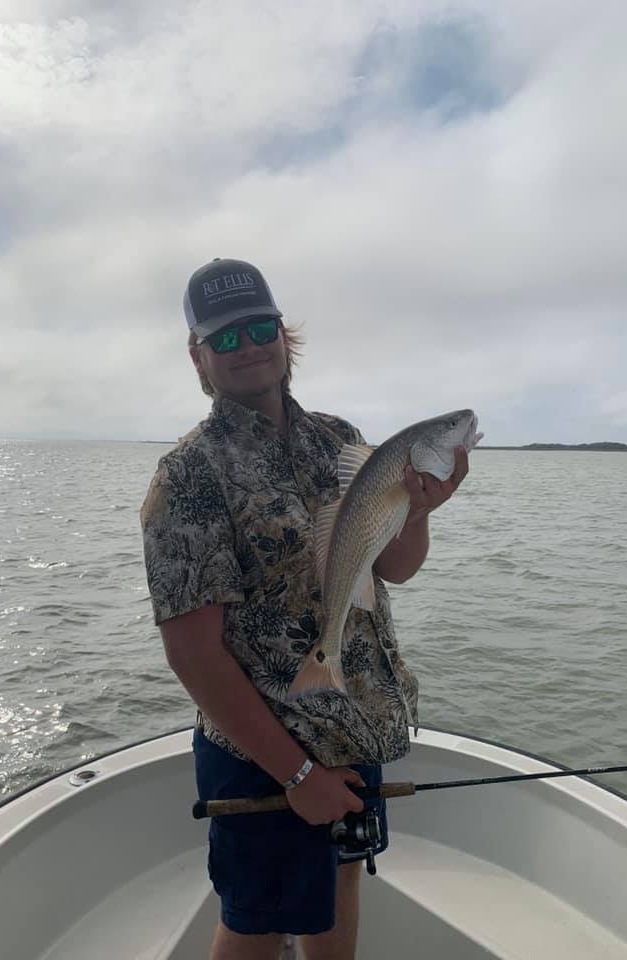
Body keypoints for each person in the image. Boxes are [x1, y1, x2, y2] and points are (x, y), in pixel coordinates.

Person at [140, 257, 469, 960]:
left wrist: (416, 515)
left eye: (261, 327)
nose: (249, 346)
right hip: (263, 758)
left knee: (339, 894)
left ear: (284, 335)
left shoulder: (338, 440)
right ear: (197, 355)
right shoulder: (188, 475)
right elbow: (193, 653)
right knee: (256, 924)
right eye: (225, 338)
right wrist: (296, 776)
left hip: (355, 729)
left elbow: (394, 572)